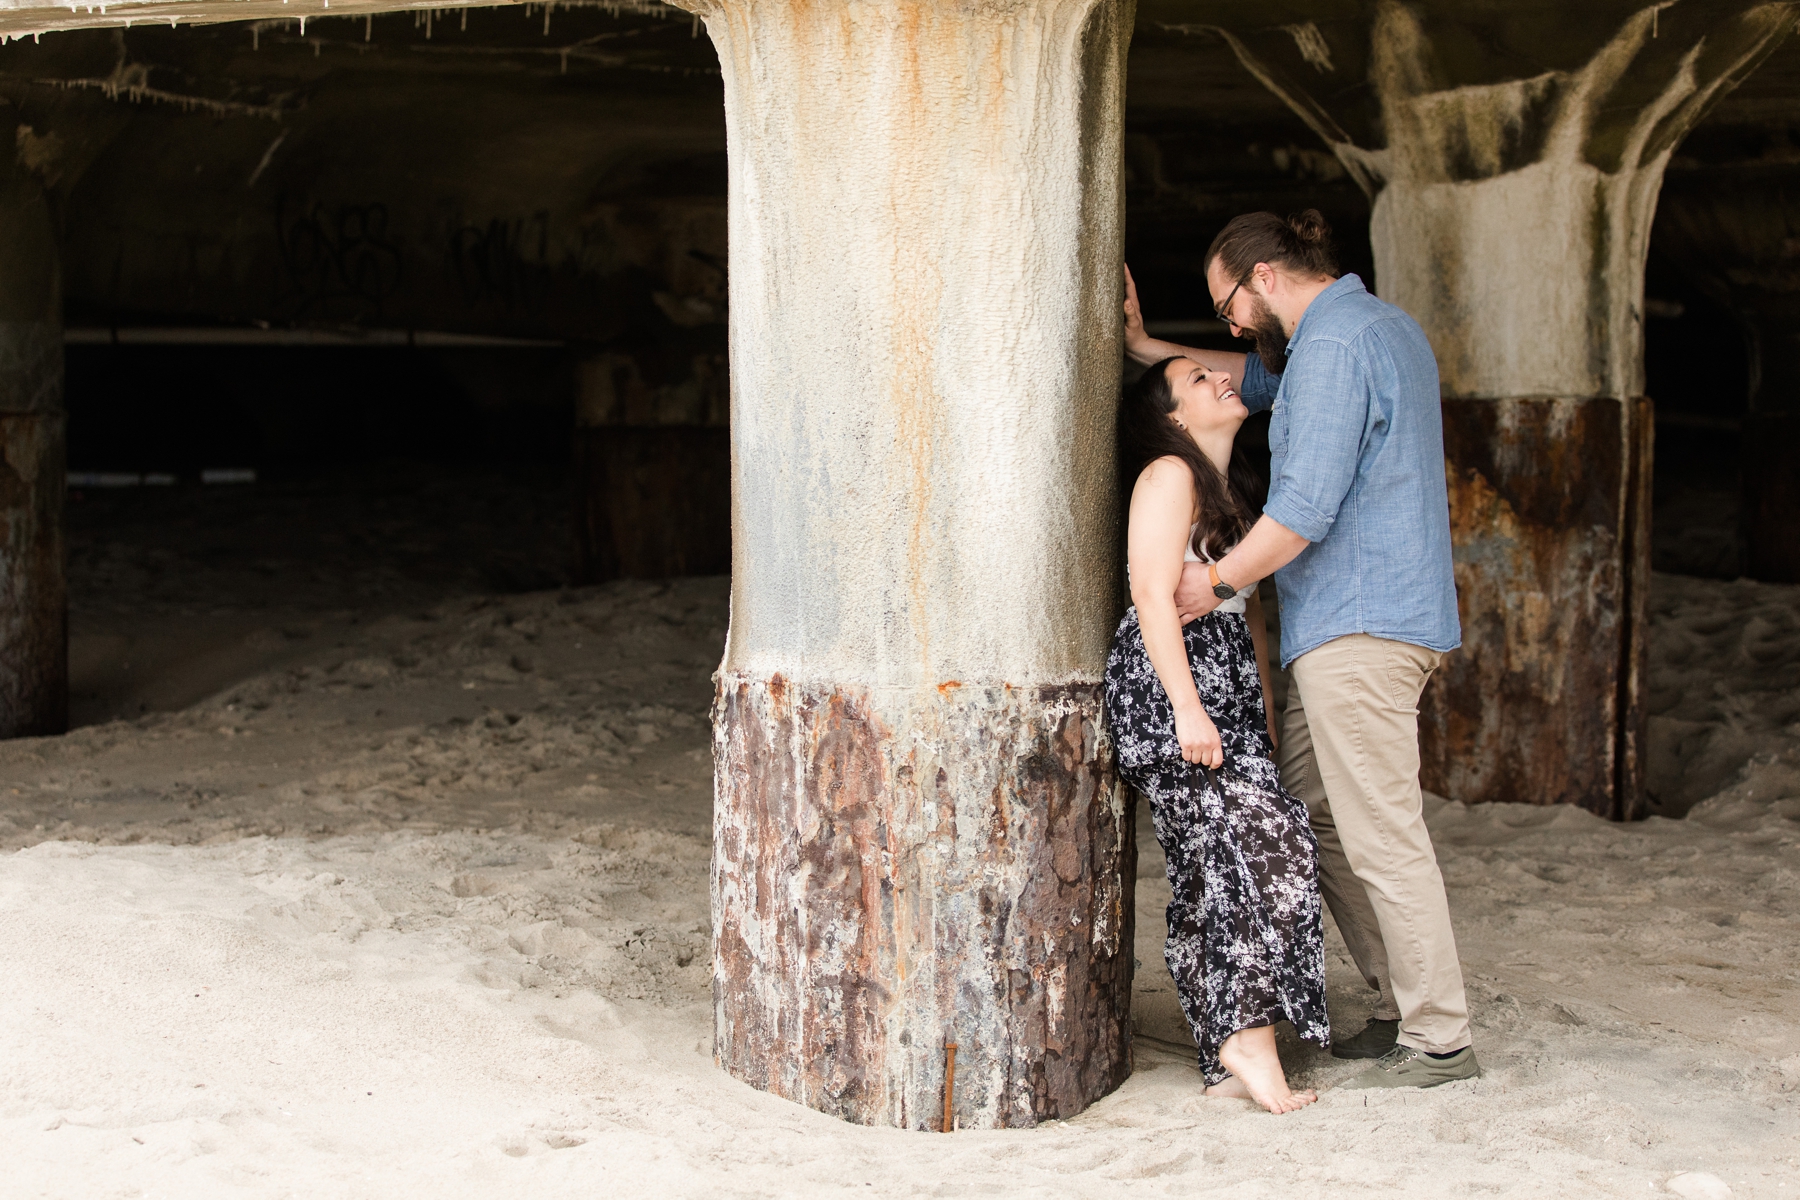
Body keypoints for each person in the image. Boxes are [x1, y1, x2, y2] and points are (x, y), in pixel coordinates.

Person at [1122, 210, 1479, 1090]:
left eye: (1228, 307)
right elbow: (1248, 381)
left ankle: (1439, 1036)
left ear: (1265, 277)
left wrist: (1219, 584)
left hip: (1359, 627)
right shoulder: (1370, 329)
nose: (1232, 330)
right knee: (1319, 818)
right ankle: (1403, 1001)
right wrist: (1138, 345)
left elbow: (1304, 510)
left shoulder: (1331, 351)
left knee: (1380, 832)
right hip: (1360, 624)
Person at [1103, 354, 1328, 1114]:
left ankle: (1225, 1041)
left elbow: (1248, 618)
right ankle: (1246, 1037)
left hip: (1228, 681)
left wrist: (1257, 712)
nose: (1220, 379)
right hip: (1172, 683)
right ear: (1172, 416)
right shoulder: (1168, 473)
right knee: (1266, 838)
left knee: (1223, 855)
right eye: (1198, 379)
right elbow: (1149, 594)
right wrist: (1187, 708)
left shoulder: (1234, 493)